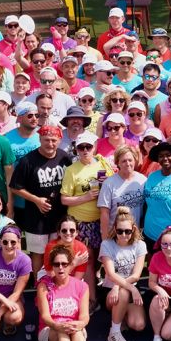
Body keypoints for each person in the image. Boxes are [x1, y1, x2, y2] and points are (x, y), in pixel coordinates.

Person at [60, 132, 114, 311]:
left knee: (102, 257)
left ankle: (102, 290)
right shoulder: (71, 170)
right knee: (88, 260)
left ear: (94, 146)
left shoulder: (103, 164)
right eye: (80, 147)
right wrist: (86, 197)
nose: (84, 151)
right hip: (81, 222)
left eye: (88, 147)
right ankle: (92, 299)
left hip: (102, 220)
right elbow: (64, 200)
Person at [10, 125, 72, 276]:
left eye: (53, 140)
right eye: (46, 140)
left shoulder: (65, 158)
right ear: (39, 139)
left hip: (60, 216)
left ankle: (58, 283)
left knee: (60, 251)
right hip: (35, 216)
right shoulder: (28, 161)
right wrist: (36, 200)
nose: (50, 144)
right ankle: (39, 284)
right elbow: (15, 187)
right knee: (38, 253)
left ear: (59, 140)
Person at [36, 245, 96, 341]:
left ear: (70, 265)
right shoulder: (44, 286)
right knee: (62, 330)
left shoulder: (82, 286)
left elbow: (84, 316)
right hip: (50, 330)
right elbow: (45, 316)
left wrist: (79, 324)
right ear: (52, 267)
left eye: (64, 264)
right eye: (57, 264)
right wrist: (58, 326)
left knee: (76, 330)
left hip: (75, 328)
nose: (61, 268)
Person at [99, 207, 148, 341]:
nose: (124, 235)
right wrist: (129, 287)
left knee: (138, 325)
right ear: (115, 229)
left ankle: (121, 316)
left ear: (133, 229)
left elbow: (137, 275)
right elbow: (111, 274)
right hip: (111, 292)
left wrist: (120, 286)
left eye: (127, 231)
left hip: (124, 288)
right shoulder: (107, 244)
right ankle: (114, 333)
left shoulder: (140, 245)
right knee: (123, 293)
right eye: (120, 231)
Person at [98, 146, 147, 236]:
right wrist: (105, 238)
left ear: (135, 160)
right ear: (117, 163)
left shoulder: (142, 180)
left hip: (135, 233)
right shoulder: (109, 183)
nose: (128, 164)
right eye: (124, 161)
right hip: (116, 233)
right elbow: (104, 213)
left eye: (130, 160)